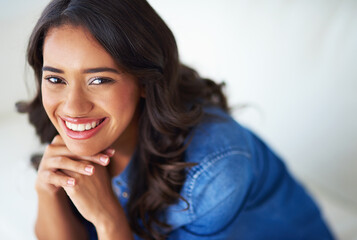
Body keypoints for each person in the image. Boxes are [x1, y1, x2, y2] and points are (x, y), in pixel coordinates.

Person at [17, 0, 334, 239]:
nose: (72, 107)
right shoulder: (80, 130)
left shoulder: (214, 169)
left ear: (144, 81)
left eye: (99, 80)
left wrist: (110, 221)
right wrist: (48, 190)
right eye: (56, 80)